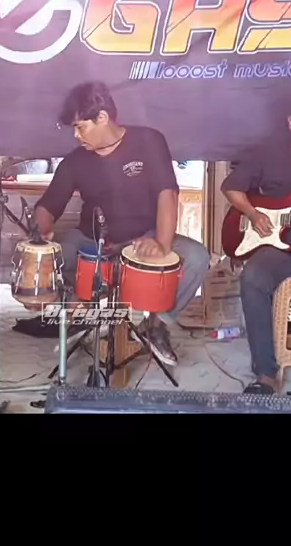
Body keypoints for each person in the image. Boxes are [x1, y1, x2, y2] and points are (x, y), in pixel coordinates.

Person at [16, 81, 210, 365]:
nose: (76, 135)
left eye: (80, 127)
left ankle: (155, 325)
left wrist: (161, 243)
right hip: (91, 242)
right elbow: (49, 205)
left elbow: (167, 194)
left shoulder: (148, 141)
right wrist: (39, 232)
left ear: (102, 117)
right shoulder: (74, 162)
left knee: (197, 257)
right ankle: (82, 316)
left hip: (145, 238)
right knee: (50, 259)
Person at [221, 88, 291, 394]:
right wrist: (252, 213)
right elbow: (231, 188)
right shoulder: (269, 154)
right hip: (282, 250)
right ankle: (266, 374)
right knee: (253, 276)